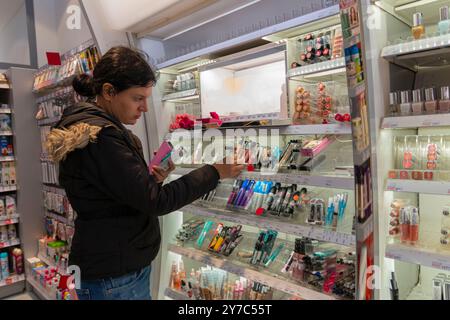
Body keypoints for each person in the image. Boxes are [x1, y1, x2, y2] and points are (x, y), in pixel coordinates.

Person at [46, 46, 244, 300]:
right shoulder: (102, 137)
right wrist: (214, 171)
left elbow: (111, 194)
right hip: (115, 276)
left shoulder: (94, 127)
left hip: (112, 266)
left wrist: (148, 180)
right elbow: (156, 202)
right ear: (108, 92)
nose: (145, 108)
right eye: (138, 98)